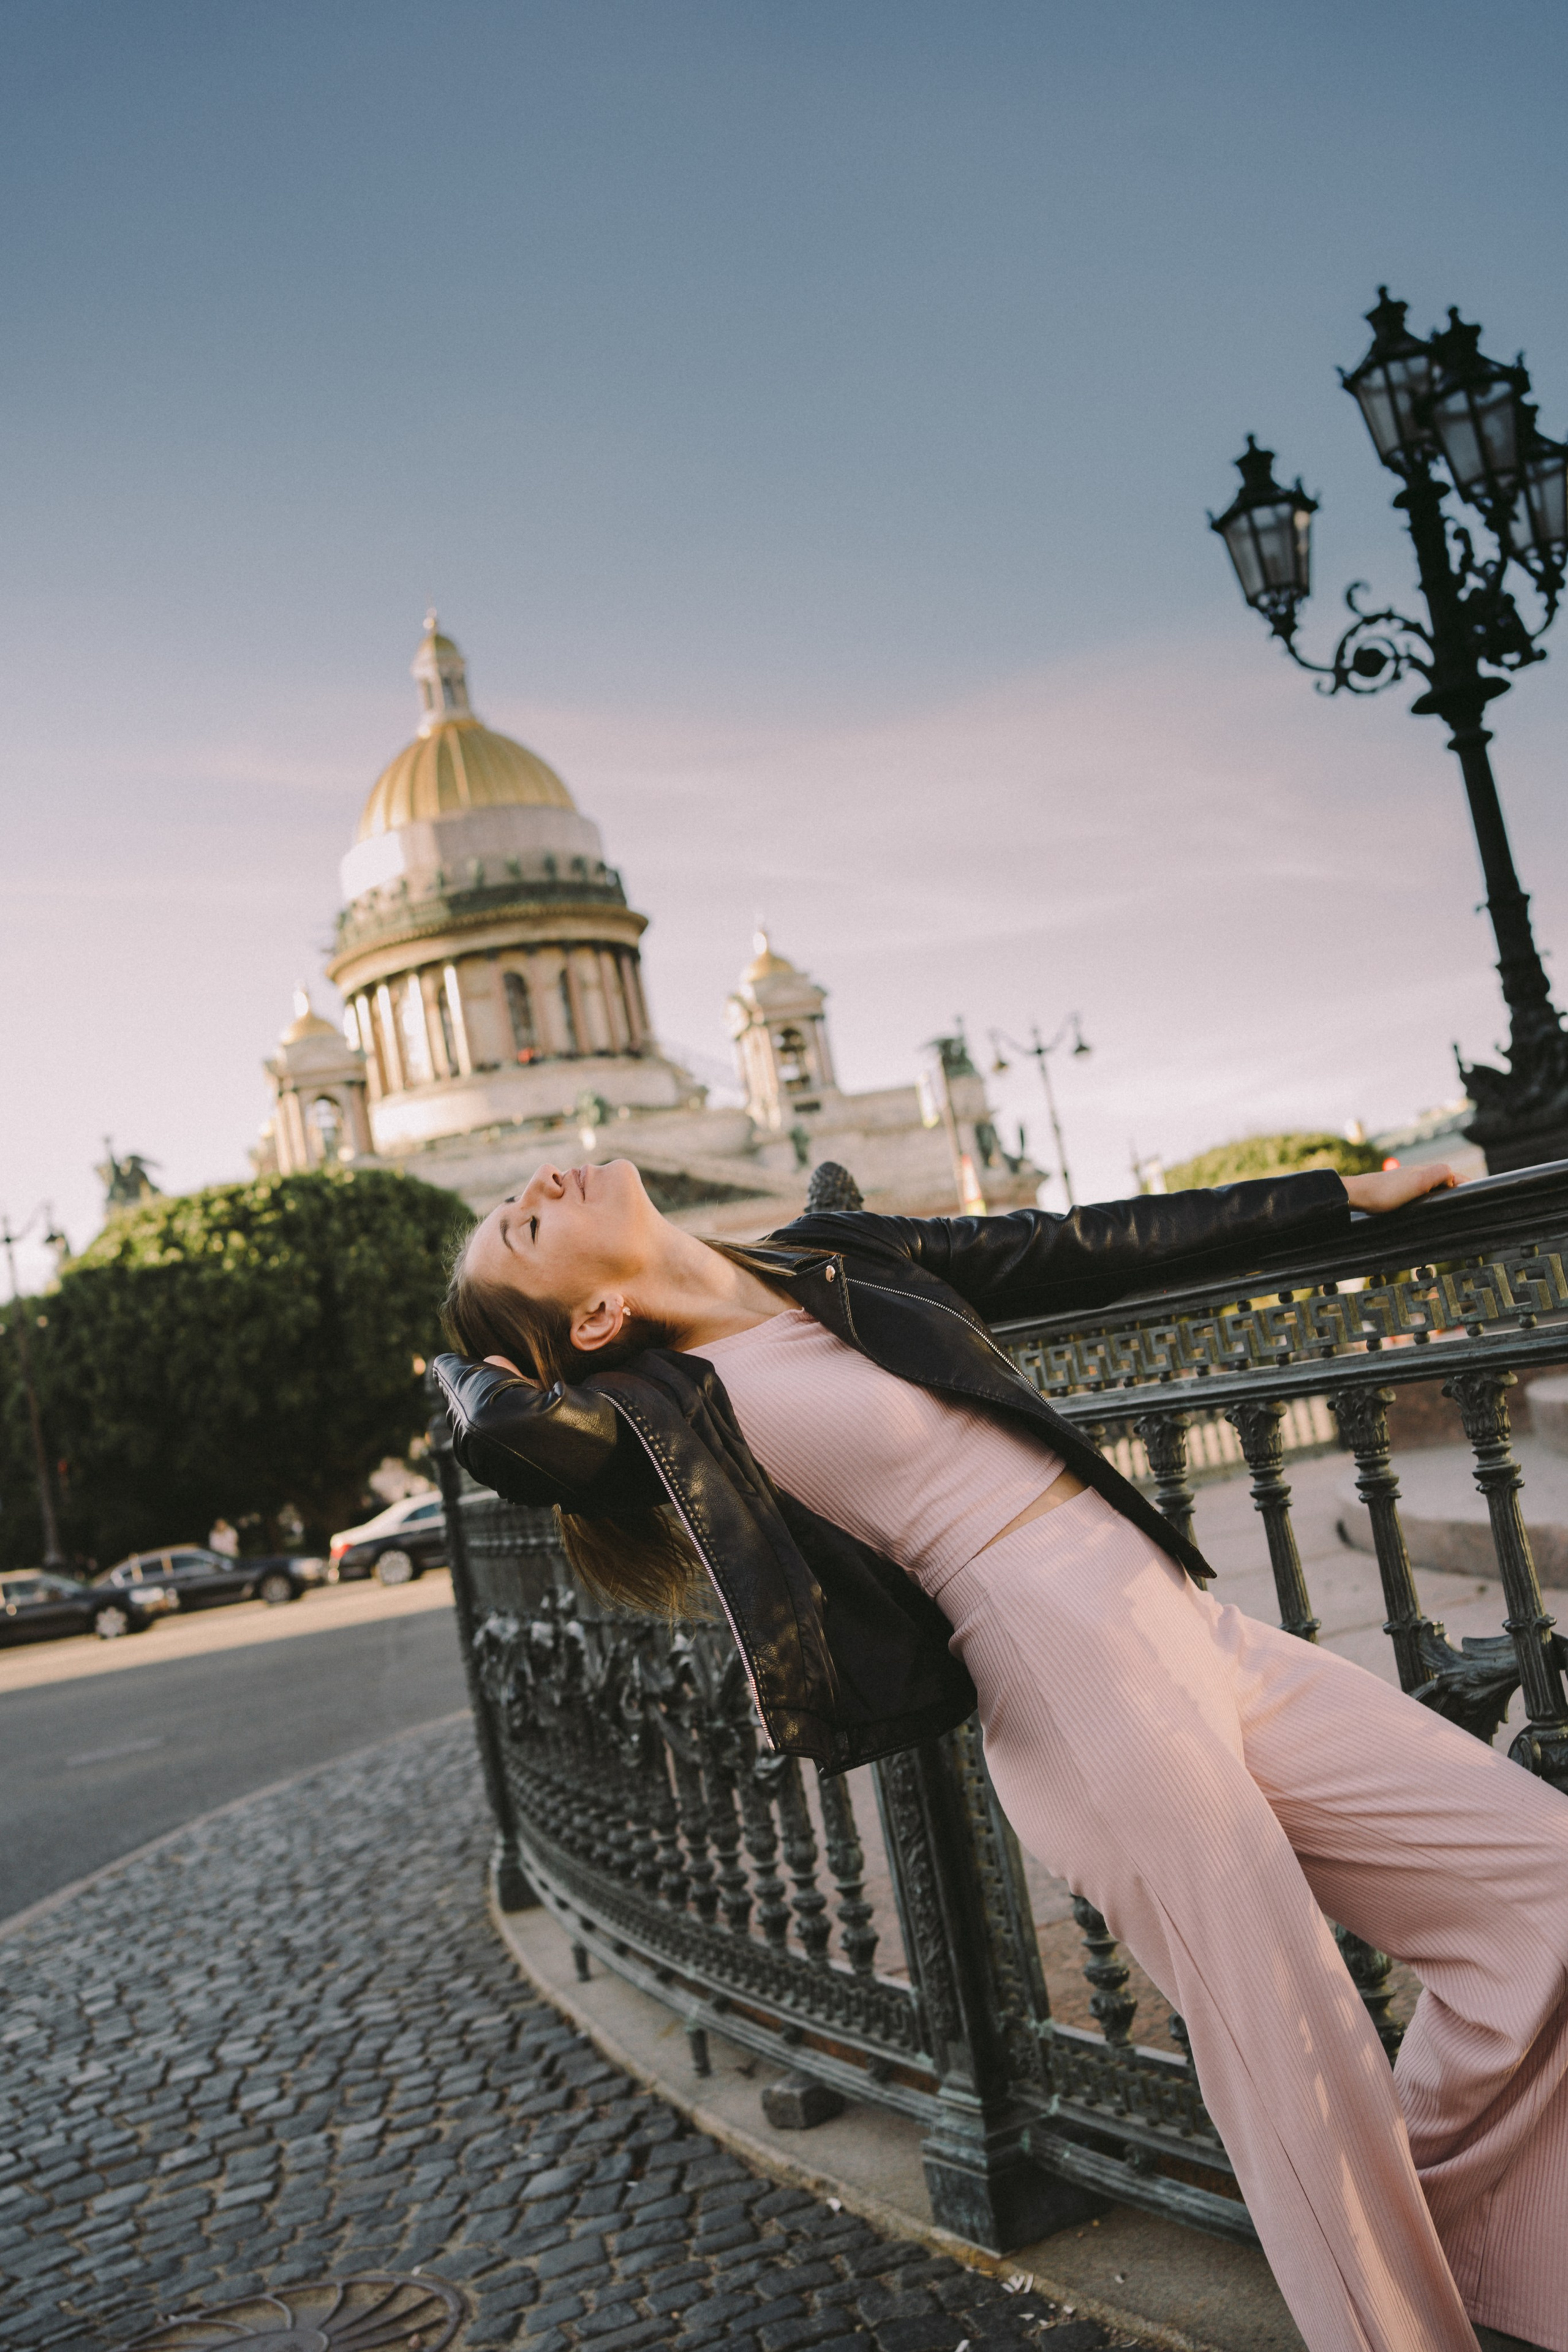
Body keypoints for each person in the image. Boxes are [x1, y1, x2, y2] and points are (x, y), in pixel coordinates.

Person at [435, 1158, 1568, 2352]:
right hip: (1070, 1683)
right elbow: (513, 1433)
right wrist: (461, 1372)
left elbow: (1069, 1241)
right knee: (1299, 2068)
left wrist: (1330, 1194)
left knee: (1535, 1883)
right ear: (596, 1318)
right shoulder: (656, 1412)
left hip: (1188, 1629)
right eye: (522, 1226)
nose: (540, 1185)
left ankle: (1460, 2234)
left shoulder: (831, 1256)